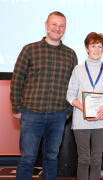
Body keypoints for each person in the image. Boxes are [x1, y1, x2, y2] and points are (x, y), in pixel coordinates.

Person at [10, 11, 78, 180]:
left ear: (65, 29)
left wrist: (68, 111)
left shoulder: (70, 54)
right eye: (54, 24)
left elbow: (74, 86)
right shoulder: (29, 50)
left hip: (58, 114)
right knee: (27, 158)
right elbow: (17, 80)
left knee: (52, 158)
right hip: (31, 113)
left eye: (61, 25)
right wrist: (17, 108)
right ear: (46, 26)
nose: (58, 28)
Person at [66, 32, 103, 180]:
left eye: (100, 46)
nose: (96, 49)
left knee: (96, 160)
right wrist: (84, 109)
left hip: (102, 121)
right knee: (83, 160)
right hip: (82, 121)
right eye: (93, 46)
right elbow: (70, 95)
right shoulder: (78, 69)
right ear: (86, 48)